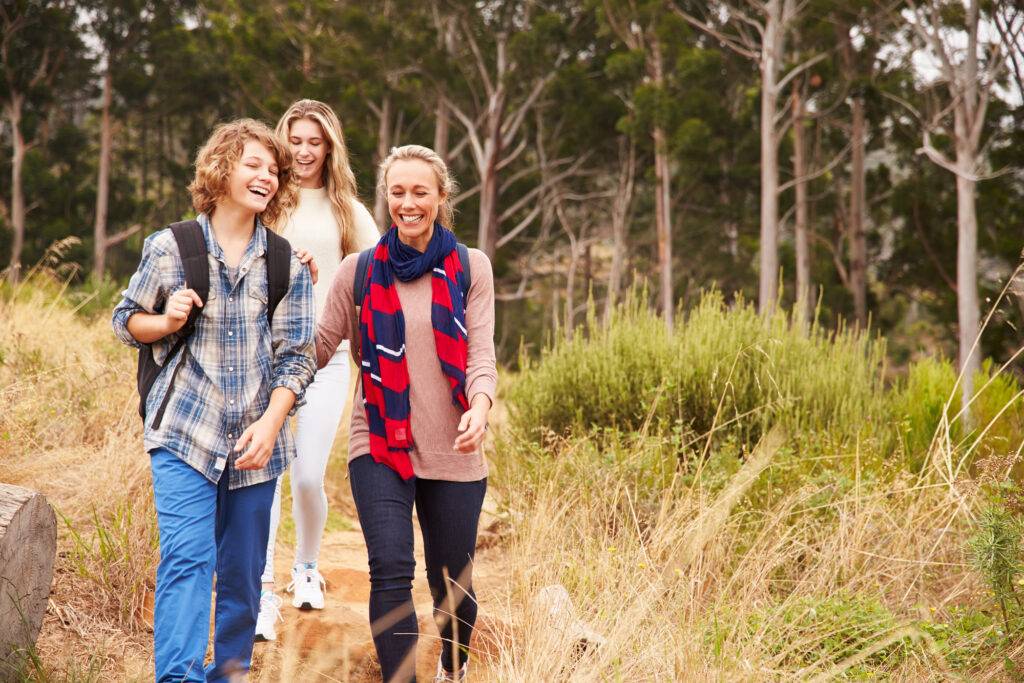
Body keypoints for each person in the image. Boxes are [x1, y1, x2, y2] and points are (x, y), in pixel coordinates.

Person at [111, 119, 316, 682]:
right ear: (221, 168)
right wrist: (165, 318)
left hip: (258, 440)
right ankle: (176, 678)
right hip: (184, 431)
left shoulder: (286, 265)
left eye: (273, 171)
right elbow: (126, 322)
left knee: (243, 574)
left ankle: (227, 675)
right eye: (253, 165)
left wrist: (273, 424)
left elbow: (298, 357)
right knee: (187, 561)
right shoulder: (169, 247)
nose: (265, 178)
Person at [316, 144, 497, 682]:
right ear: (386, 198)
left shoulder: (470, 267)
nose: (408, 203)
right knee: (391, 570)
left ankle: (453, 665)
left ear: (441, 198)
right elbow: (320, 345)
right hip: (378, 441)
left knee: (453, 589)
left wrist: (481, 406)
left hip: (454, 446)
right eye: (398, 192)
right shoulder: (360, 270)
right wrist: (290, 293)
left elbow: (481, 355)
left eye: (420, 192)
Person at [255, 99, 380, 641]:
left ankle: (306, 566)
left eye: (315, 142)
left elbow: (376, 282)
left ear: (330, 147)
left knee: (306, 475)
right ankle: (258, 590)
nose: (304, 152)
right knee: (263, 475)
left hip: (325, 360)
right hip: (261, 356)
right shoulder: (265, 202)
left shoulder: (350, 211)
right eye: (296, 140)